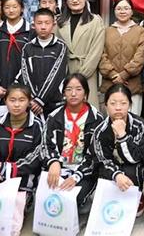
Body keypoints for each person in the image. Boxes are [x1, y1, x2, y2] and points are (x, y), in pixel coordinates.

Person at [92, 84, 144, 218]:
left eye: (123, 103)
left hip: (135, 166)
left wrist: (122, 136)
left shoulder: (139, 125)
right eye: (113, 103)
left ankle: (138, 195)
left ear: (129, 105)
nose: (118, 108)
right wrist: (116, 174)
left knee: (133, 169)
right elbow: (102, 160)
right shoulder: (100, 131)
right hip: (113, 169)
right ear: (106, 106)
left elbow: (135, 157)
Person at [43, 73, 104, 207]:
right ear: (64, 93)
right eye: (69, 89)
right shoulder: (54, 117)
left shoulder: (96, 118)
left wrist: (76, 176)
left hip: (84, 171)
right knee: (49, 200)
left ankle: (83, 198)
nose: (73, 93)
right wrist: (53, 162)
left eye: (78, 89)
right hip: (59, 168)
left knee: (74, 199)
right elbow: (46, 144)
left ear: (86, 93)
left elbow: (96, 154)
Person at [0, 84, 43, 199]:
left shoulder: (36, 127)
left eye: (22, 100)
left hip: (23, 185)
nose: (17, 105)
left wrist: (8, 168)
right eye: (12, 100)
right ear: (5, 101)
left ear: (29, 102)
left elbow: (37, 158)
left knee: (12, 207)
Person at [56, 0, 106, 110]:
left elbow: (96, 51)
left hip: (87, 72)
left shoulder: (95, 21)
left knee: (87, 110)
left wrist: (81, 76)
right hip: (65, 72)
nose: (75, 0)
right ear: (66, 1)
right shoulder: (59, 22)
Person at [99, 0, 144, 116]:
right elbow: (101, 55)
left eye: (126, 8)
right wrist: (113, 75)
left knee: (132, 119)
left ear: (132, 11)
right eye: (119, 8)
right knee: (111, 120)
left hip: (132, 85)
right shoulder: (106, 31)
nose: (122, 11)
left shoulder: (140, 31)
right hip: (110, 83)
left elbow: (140, 57)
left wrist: (124, 75)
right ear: (114, 11)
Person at [0, 0, 33, 106]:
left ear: (22, 8)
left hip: (22, 89)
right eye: (7, 7)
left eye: (15, 7)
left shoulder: (30, 33)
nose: (11, 10)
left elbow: (30, 64)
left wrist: (16, 85)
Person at [20, 8, 68, 116]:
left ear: (53, 25)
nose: (43, 27)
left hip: (55, 101)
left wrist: (40, 100)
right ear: (33, 25)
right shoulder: (27, 48)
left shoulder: (60, 46)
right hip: (33, 103)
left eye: (47, 23)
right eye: (39, 23)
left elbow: (57, 74)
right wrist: (34, 98)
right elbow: (25, 75)